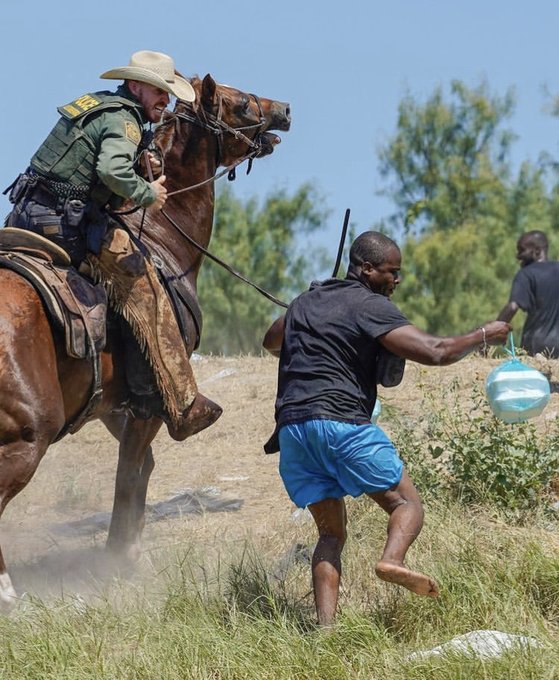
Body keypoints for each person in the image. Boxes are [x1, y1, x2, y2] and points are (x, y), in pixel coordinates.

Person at [262, 230, 511, 627]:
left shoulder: (307, 301)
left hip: (293, 433)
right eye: (392, 272)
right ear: (366, 268)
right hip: (342, 424)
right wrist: (483, 335)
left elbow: (271, 339)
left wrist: (307, 307)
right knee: (406, 504)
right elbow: (435, 351)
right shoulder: (370, 305)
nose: (397, 280)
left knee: (330, 535)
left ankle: (326, 631)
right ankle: (392, 561)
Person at [3, 50, 221, 440]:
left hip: (25, 217)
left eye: (168, 94)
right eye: (159, 91)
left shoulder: (98, 106)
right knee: (146, 285)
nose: (166, 100)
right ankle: (182, 402)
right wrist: (147, 192)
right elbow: (110, 169)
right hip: (67, 227)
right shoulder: (126, 121)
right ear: (135, 85)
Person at [498, 230, 559, 357]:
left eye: (522, 250)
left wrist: (491, 333)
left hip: (536, 346)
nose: (518, 256)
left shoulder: (526, 274)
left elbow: (512, 307)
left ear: (537, 250)